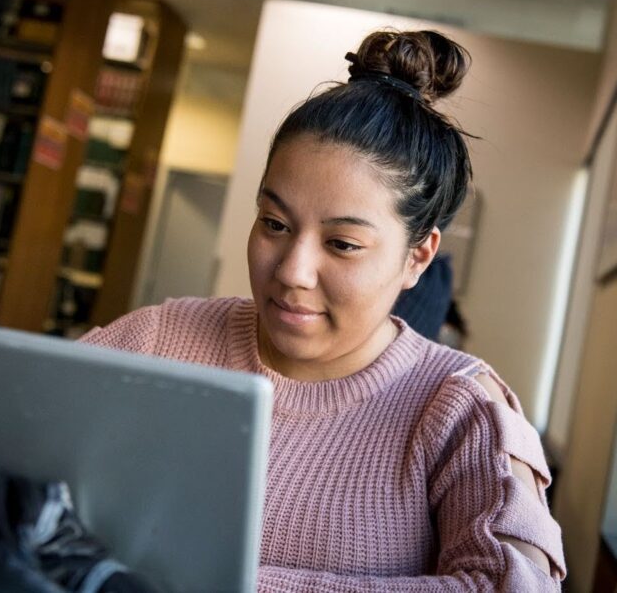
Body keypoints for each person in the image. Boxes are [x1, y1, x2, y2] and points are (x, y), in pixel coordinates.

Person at [81, 30, 566, 590]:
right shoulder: (161, 340)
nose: (291, 270)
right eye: (274, 224)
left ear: (417, 257)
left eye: (342, 244)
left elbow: (514, 586)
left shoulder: (460, 408)